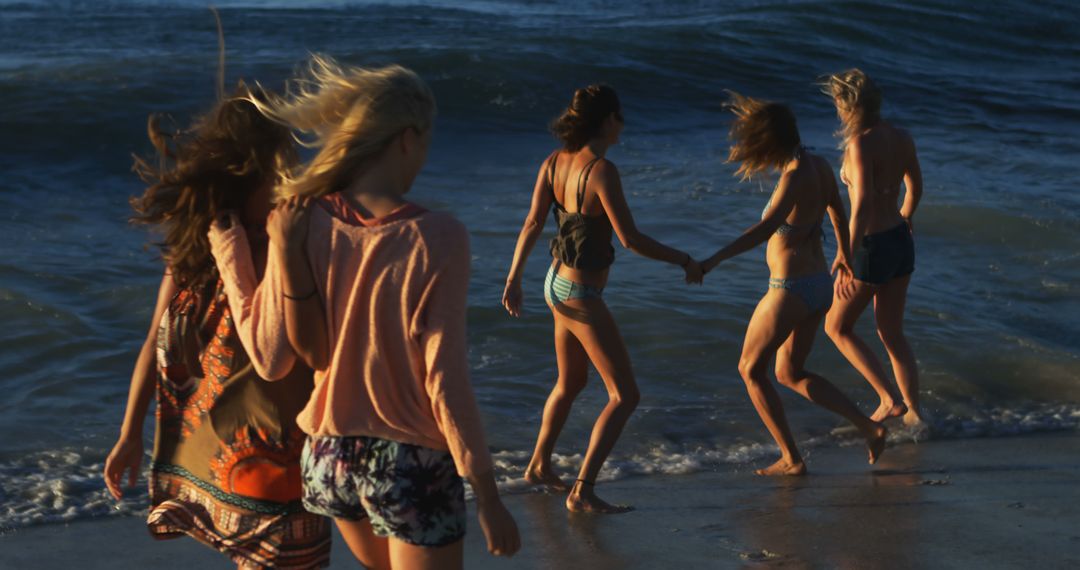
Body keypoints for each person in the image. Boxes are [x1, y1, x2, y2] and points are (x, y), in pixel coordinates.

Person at [207, 55, 520, 569]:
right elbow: (445, 377)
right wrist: (487, 495)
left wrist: (230, 253)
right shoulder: (437, 237)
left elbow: (269, 358)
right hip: (408, 462)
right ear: (406, 138)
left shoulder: (302, 220)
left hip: (328, 459)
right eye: (425, 142)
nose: (422, 158)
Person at [103, 85, 331, 568]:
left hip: (251, 465)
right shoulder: (239, 243)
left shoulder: (251, 239)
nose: (288, 175)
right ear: (256, 167)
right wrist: (128, 434)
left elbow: (155, 340)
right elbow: (154, 342)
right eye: (280, 163)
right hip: (258, 465)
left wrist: (131, 434)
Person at [501, 84, 703, 512]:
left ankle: (538, 466)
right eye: (619, 116)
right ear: (607, 121)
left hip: (554, 284)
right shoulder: (601, 171)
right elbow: (630, 239)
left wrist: (513, 278)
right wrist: (684, 259)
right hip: (580, 294)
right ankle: (583, 490)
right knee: (624, 396)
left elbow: (533, 221)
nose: (622, 123)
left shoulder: (553, 162)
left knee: (571, 382)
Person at [701, 92, 887, 476]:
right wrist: (844, 254)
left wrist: (714, 259)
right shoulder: (817, 165)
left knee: (750, 370)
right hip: (817, 285)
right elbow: (838, 207)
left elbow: (765, 229)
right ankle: (869, 427)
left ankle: (790, 458)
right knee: (789, 373)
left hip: (789, 289)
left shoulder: (793, 177)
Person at [821, 69, 924, 426]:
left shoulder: (860, 143)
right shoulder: (902, 136)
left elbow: (862, 203)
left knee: (836, 327)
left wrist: (845, 254)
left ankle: (888, 399)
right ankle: (915, 415)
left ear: (847, 105)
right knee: (892, 332)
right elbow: (915, 187)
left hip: (873, 245)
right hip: (899, 241)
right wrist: (905, 216)